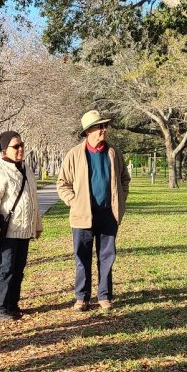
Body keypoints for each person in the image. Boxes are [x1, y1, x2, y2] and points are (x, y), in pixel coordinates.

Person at [56, 110, 130, 312]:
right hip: (82, 216)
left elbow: (124, 179)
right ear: (88, 131)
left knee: (107, 257)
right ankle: (82, 297)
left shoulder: (114, 152)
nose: (103, 130)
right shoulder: (74, 155)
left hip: (108, 214)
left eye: (104, 126)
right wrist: (74, 201)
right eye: (99, 127)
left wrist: (120, 199)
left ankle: (104, 295)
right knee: (82, 257)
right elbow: (62, 184)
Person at [0, 131, 42, 321]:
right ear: (4, 150)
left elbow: (33, 199)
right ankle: (0, 308)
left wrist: (37, 224)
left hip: (24, 230)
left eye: (22, 144)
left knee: (19, 268)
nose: (20, 149)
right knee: (6, 268)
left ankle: (12, 305)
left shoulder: (26, 168)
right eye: (16, 146)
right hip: (7, 230)